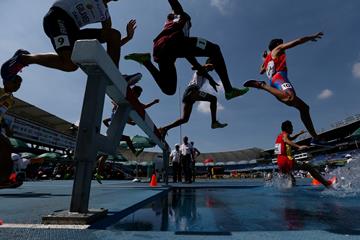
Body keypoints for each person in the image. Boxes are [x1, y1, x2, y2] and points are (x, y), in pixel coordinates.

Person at [125, 0, 249, 99]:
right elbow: (175, 5)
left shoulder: (179, 33)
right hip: (171, 42)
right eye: (189, 23)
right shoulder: (180, 17)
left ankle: (146, 61)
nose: (189, 25)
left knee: (169, 89)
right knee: (214, 49)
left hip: (161, 50)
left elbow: (189, 55)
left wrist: (208, 76)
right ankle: (229, 90)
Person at [1, 0, 140, 84]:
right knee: (69, 64)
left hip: (73, 30)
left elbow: (110, 45)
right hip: (58, 17)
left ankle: (114, 75)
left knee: (113, 34)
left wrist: (128, 38)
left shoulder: (105, 15)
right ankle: (23, 58)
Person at [244, 32, 325, 145]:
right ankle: (261, 85)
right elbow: (298, 41)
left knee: (304, 108)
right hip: (279, 78)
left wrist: (264, 58)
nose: (284, 45)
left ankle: (315, 138)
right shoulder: (278, 48)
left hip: (275, 83)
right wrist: (311, 37)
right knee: (291, 98)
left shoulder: (268, 58)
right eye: (282, 43)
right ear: (277, 44)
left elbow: (261, 71)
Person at [95, 85, 160, 183]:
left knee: (105, 154)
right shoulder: (123, 100)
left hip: (115, 130)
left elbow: (143, 107)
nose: (138, 96)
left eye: (139, 95)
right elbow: (106, 120)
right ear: (133, 91)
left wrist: (130, 122)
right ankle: (134, 152)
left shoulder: (126, 105)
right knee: (126, 140)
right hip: (113, 131)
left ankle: (98, 173)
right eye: (138, 94)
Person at [159, 60, 228, 138]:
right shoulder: (201, 70)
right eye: (211, 65)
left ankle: (164, 128)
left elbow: (199, 71)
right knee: (213, 99)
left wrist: (211, 80)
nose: (213, 68)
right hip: (192, 91)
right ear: (208, 64)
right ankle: (214, 122)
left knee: (185, 119)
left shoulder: (205, 74)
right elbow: (195, 68)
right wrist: (207, 65)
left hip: (189, 95)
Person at [275, 120, 335, 187]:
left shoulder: (280, 136)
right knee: (309, 167)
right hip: (286, 159)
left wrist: (299, 134)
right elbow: (286, 140)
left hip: (280, 161)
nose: (293, 129)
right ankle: (326, 184)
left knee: (292, 180)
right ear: (287, 128)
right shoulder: (285, 134)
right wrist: (299, 146)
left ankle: (287, 195)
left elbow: (291, 138)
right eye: (291, 127)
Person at [0, 76, 23, 188]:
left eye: (19, 84)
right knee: (6, 146)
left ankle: (4, 179)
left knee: (6, 147)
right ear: (6, 82)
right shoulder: (1, 92)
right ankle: (3, 179)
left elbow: (1, 113)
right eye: (15, 83)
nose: (17, 86)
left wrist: (6, 126)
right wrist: (2, 98)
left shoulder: (11, 100)